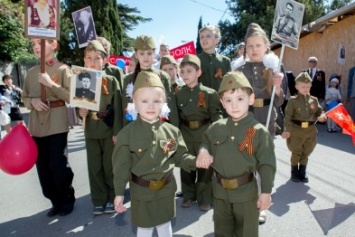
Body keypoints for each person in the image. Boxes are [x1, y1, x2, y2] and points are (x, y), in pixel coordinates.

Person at [112, 71, 199, 237]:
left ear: (164, 103)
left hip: (166, 192)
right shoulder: (127, 134)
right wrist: (119, 193)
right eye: (144, 101)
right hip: (141, 193)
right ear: (134, 103)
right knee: (144, 229)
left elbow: (180, 156)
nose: (151, 106)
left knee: (165, 226)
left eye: (156, 101)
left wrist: (197, 161)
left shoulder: (172, 132)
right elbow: (121, 167)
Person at [196, 71, 276, 237]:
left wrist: (266, 192)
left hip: (246, 195)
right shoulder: (216, 127)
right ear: (222, 103)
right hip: (219, 195)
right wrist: (203, 151)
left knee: (247, 232)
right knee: (222, 231)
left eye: (240, 99)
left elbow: (267, 164)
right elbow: (205, 141)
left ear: (251, 99)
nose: (234, 105)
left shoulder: (259, 132)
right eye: (228, 100)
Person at [22, 38, 75, 217]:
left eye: (40, 43)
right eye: (34, 45)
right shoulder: (31, 72)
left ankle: (67, 198)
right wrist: (33, 101)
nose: (36, 47)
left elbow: (71, 96)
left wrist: (51, 85)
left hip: (56, 124)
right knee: (43, 168)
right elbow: (24, 97)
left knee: (58, 165)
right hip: (37, 125)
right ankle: (55, 201)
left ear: (53, 45)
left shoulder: (62, 69)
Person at [238, 22, 284, 224]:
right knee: (247, 162)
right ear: (245, 49)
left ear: (266, 46)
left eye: (258, 45)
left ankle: (261, 204)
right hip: (246, 119)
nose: (254, 49)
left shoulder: (274, 67)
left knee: (263, 163)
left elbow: (281, 101)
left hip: (267, 119)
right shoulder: (239, 70)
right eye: (250, 46)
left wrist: (279, 86)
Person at [78, 40, 123, 215]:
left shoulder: (111, 81)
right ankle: (98, 200)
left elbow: (118, 108)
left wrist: (117, 132)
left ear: (104, 60)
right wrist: (79, 111)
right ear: (84, 61)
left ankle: (112, 197)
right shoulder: (82, 79)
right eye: (89, 58)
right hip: (91, 128)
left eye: (97, 58)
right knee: (94, 167)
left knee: (109, 166)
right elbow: (78, 104)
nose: (93, 62)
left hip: (108, 128)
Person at [176, 54, 223, 211]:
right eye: (182, 72)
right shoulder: (178, 94)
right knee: (186, 166)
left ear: (199, 72)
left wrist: (217, 131)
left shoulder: (210, 93)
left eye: (189, 71)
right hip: (185, 134)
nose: (185, 75)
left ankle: (205, 198)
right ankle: (188, 195)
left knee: (205, 167)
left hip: (204, 134)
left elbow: (216, 114)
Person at [122, 35, 179, 127]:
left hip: (159, 126)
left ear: (154, 53)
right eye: (142, 53)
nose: (146, 57)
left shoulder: (163, 77)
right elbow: (126, 109)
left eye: (149, 53)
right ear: (136, 55)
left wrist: (174, 131)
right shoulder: (128, 79)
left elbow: (170, 106)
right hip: (136, 128)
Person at [281, 72, 327, 183]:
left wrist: (322, 116)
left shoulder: (314, 100)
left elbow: (320, 112)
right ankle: (294, 173)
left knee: (306, 151)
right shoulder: (293, 101)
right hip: (296, 130)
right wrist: (286, 130)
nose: (306, 89)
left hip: (310, 131)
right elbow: (287, 117)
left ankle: (302, 172)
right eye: (303, 86)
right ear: (297, 86)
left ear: (311, 86)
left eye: (308, 86)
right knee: (296, 152)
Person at [198, 25, 231, 92]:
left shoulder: (225, 61)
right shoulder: (195, 60)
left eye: (208, 36)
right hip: (201, 100)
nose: (204, 39)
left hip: (221, 100)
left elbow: (230, 83)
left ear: (216, 40)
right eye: (202, 37)